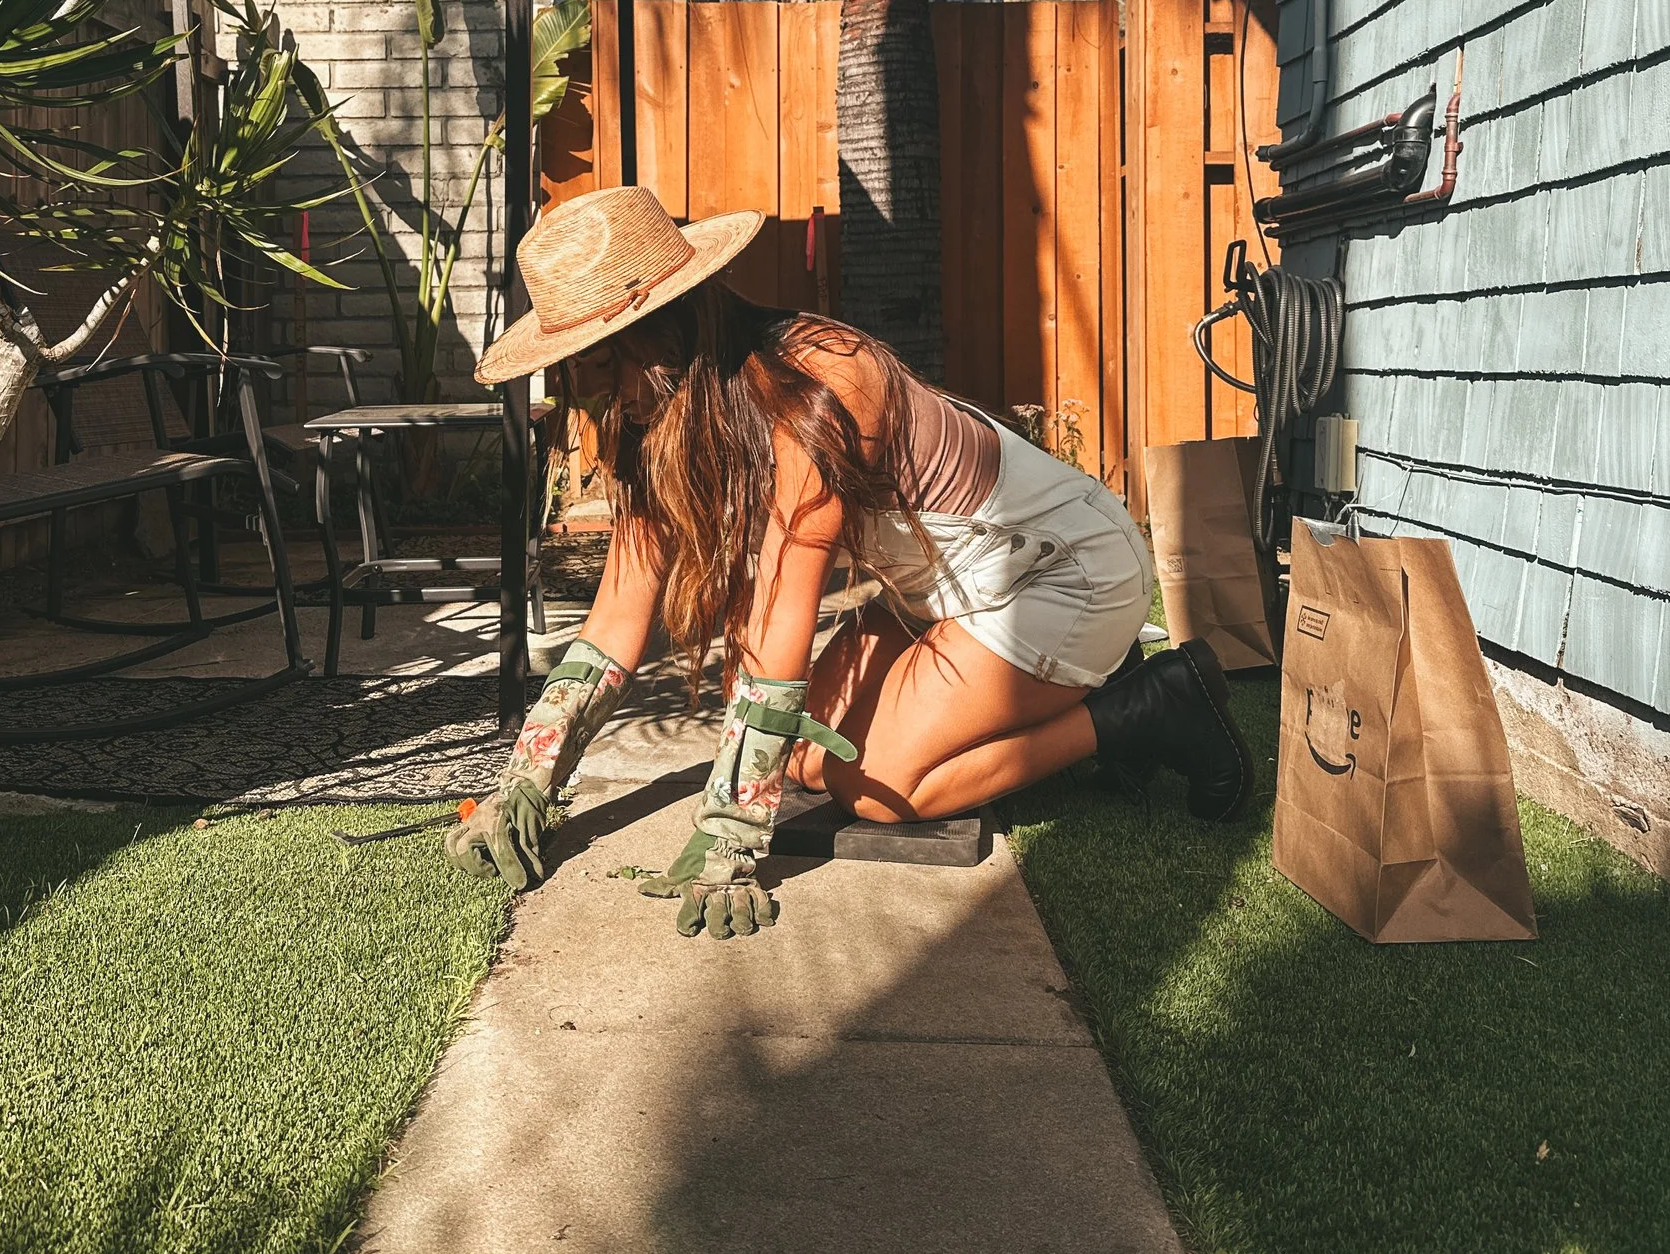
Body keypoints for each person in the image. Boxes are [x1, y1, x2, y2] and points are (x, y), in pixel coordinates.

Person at [447, 186, 1249, 939]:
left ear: (664, 334)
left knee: (882, 784)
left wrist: (730, 829)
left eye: (594, 363)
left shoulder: (816, 386)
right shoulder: (661, 414)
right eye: (574, 369)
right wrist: (527, 781)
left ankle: (1142, 709)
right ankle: (1075, 690)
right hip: (934, 589)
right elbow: (620, 610)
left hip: (1059, 570)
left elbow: (780, 613)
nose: (588, 398)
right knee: (802, 756)